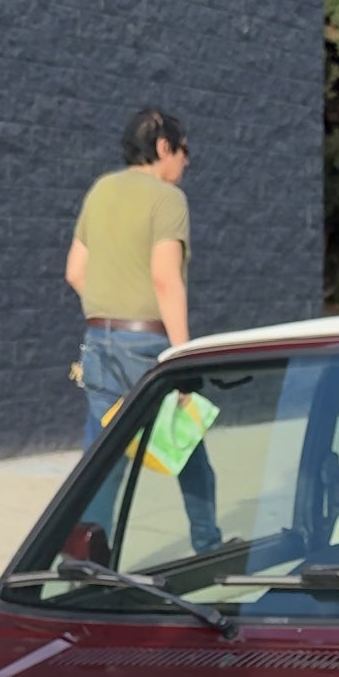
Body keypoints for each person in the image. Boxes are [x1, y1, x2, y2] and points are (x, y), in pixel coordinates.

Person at [65, 108, 220, 553]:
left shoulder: (100, 190)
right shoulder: (167, 199)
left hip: (98, 342)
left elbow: (75, 271)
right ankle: (209, 547)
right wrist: (182, 357)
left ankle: (89, 558)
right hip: (147, 346)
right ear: (163, 147)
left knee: (102, 460)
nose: (186, 160)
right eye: (183, 149)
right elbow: (165, 279)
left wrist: (112, 311)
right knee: (186, 448)